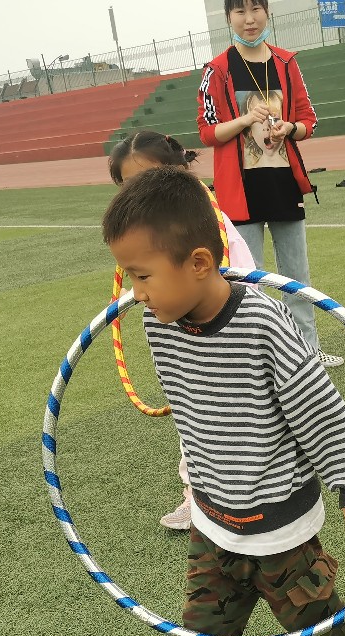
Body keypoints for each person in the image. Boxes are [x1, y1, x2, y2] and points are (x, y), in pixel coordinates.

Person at [105, 167, 345, 636]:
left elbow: (317, 407)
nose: (135, 293)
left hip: (278, 514)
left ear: (200, 262)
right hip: (214, 513)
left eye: (143, 276)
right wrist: (200, 481)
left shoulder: (263, 323)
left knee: (310, 619)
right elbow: (195, 411)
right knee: (200, 634)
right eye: (129, 277)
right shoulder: (159, 324)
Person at [107, 131, 257, 533]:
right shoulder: (141, 241)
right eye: (128, 186)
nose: (139, 195)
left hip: (230, 344)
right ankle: (198, 495)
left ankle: (253, 494)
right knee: (194, 418)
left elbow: (245, 287)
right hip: (185, 344)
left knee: (241, 423)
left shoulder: (211, 228)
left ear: (177, 177)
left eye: (147, 180)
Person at [197, 0, 345, 368]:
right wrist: (246, 119)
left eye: (256, 9)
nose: (249, 20)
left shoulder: (286, 62)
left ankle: (308, 354)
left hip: (283, 184)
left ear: (268, 12)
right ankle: (258, 362)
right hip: (240, 191)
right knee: (249, 284)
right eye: (240, 12)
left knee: (297, 276)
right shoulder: (217, 70)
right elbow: (207, 132)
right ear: (228, 18)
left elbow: (309, 120)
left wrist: (290, 128)